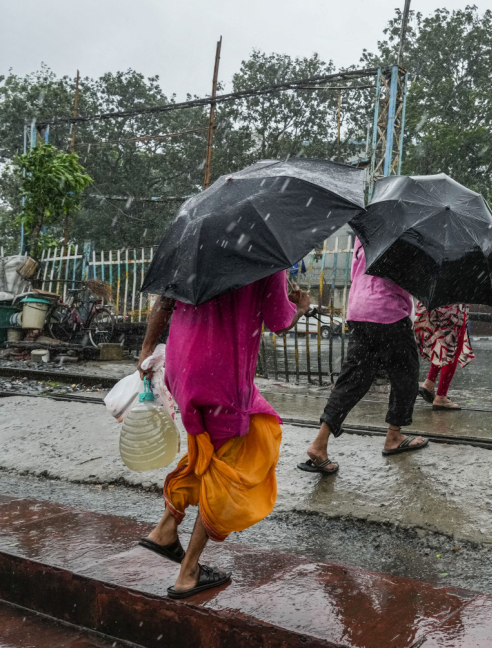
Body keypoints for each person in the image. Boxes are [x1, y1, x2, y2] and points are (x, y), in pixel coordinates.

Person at [136, 270, 311, 598]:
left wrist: (146, 349)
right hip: (222, 375)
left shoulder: (195, 247)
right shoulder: (264, 257)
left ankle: (165, 527)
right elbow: (278, 320)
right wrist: (300, 306)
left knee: (208, 448)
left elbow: (164, 300)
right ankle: (188, 572)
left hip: (182, 364)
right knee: (230, 464)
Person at [300, 237, 428, 475]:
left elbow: (354, 274)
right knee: (406, 375)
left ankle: (320, 443)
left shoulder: (366, 234)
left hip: (359, 310)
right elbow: (413, 278)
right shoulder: (406, 236)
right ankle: (394, 436)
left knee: (352, 379)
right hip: (389, 312)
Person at [416, 302, 474, 410]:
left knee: (442, 347)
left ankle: (429, 383)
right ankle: (441, 397)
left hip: (437, 308)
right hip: (453, 311)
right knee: (452, 352)